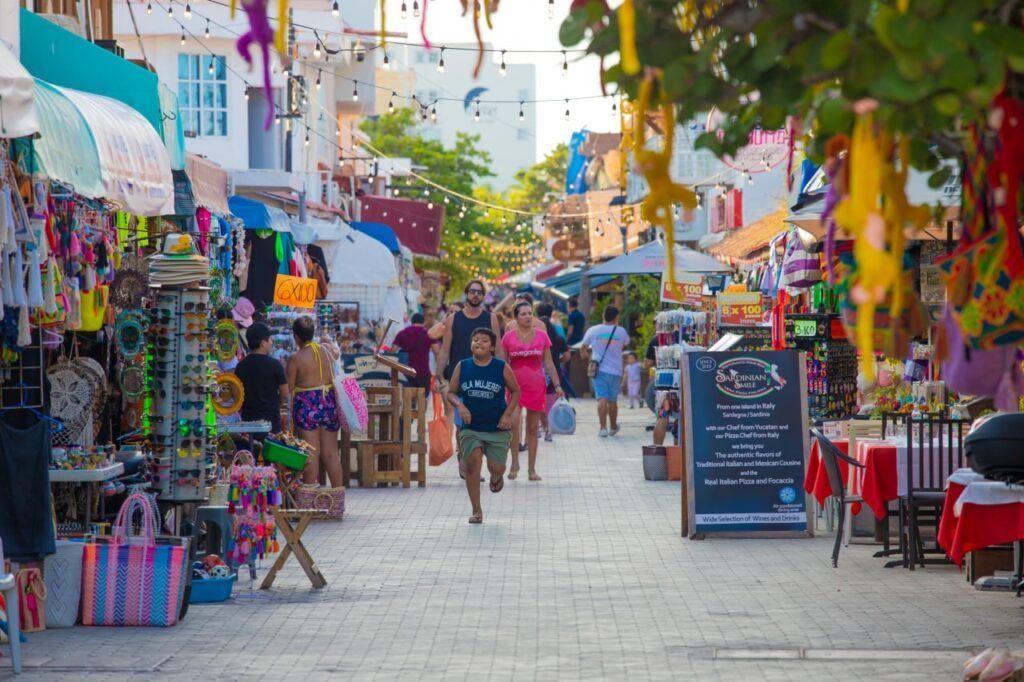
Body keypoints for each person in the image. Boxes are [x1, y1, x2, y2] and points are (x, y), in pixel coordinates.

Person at [446, 328, 520, 524]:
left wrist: (507, 415)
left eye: (484, 340)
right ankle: (476, 511)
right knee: (472, 466)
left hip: (497, 426)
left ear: (492, 347)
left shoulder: (501, 366)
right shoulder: (463, 366)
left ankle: (497, 477)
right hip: (471, 427)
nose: (479, 342)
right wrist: (460, 406)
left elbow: (515, 391)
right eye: (475, 339)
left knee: (496, 467)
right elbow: (451, 392)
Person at [502, 301, 563, 481]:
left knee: (532, 428)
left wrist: (558, 385)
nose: (528, 317)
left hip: (536, 385)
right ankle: (514, 463)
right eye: (523, 314)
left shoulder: (542, 336)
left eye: (530, 313)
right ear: (516, 317)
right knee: (513, 424)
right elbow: (503, 364)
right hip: (513, 387)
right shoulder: (508, 338)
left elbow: (549, 363)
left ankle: (531, 469)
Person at [286, 316, 343, 487]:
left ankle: (309, 499)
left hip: (307, 405)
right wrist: (326, 340)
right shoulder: (326, 351)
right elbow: (336, 351)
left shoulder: (295, 358)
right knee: (331, 453)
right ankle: (338, 499)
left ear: (296, 337)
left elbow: (288, 387)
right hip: (329, 403)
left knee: (311, 453)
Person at [581, 305, 630, 437]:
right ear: (616, 317)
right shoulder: (621, 331)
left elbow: (583, 347)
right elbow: (625, 343)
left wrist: (585, 356)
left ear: (603, 315)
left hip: (599, 369)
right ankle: (613, 427)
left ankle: (602, 428)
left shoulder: (593, 330)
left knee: (602, 398)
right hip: (615, 371)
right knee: (612, 400)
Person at [234, 322, 290, 434]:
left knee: (251, 450)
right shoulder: (275, 365)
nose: (271, 342)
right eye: (269, 339)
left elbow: (236, 395)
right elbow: (284, 393)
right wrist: (276, 406)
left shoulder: (241, 366)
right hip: (271, 421)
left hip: (248, 422)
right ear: (263, 343)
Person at [536, 302, 569, 441]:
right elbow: (567, 356)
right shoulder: (558, 335)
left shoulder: (534, 335)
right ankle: (549, 430)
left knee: (537, 403)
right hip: (553, 373)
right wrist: (557, 362)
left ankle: (538, 428)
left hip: (536, 373)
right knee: (549, 403)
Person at [394, 313, 433, 397]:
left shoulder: (402, 333)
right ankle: (422, 410)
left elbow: (392, 351)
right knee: (422, 399)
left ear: (412, 321)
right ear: (423, 322)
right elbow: (437, 350)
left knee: (408, 400)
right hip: (423, 372)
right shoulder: (427, 334)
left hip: (406, 373)